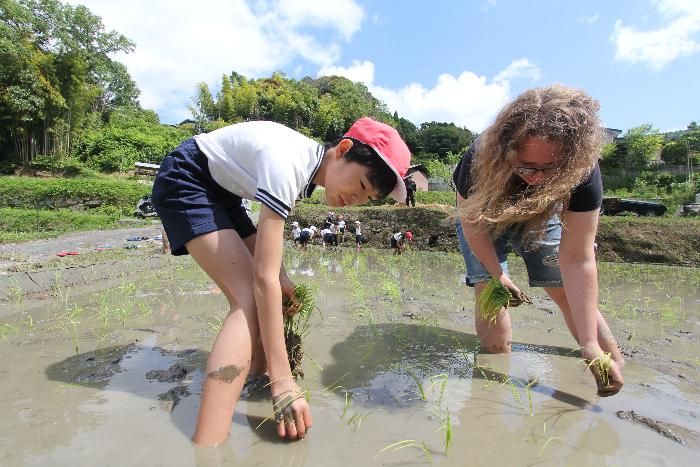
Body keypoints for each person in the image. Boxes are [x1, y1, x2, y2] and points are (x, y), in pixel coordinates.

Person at [151, 117, 411, 446]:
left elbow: (268, 264)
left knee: (269, 292)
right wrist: (284, 381)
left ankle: (254, 380)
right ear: (343, 150)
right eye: (360, 186)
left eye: (368, 197)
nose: (357, 200)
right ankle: (209, 444)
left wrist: (283, 277)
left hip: (222, 192)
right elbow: (262, 279)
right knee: (248, 296)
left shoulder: (308, 169)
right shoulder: (289, 163)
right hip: (188, 178)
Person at [453, 84, 624, 397]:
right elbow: (472, 223)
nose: (537, 177)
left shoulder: (583, 171)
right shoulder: (478, 157)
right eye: (527, 166)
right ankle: (493, 384)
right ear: (506, 151)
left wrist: (589, 345)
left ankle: (611, 366)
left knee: (563, 288)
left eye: (552, 168)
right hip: (484, 215)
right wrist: (497, 274)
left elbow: (578, 258)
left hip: (544, 216)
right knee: (488, 290)